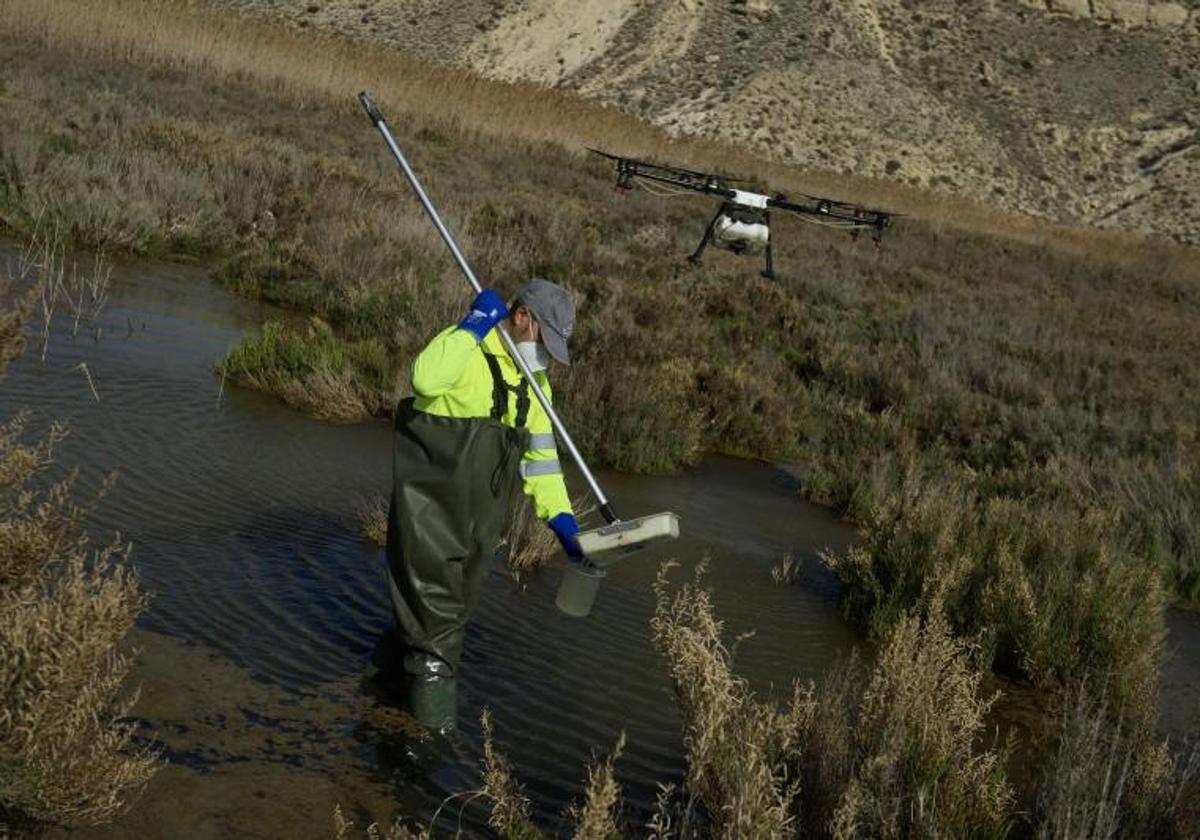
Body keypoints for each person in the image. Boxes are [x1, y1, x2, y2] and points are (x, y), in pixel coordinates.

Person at [383, 277, 581, 728]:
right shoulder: (467, 348)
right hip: (427, 514)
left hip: (479, 527)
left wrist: (562, 520)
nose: (546, 354)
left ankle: (378, 701)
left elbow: (542, 462)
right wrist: (471, 326)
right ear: (522, 316)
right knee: (439, 634)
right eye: (543, 341)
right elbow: (424, 379)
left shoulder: (536, 387)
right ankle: (429, 748)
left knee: (434, 622)